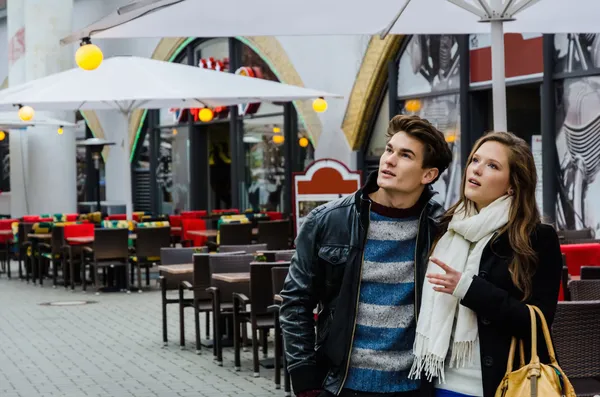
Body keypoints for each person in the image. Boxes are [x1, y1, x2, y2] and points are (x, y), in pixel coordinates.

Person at [279, 115, 453, 397]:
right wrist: (305, 382)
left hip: (414, 387)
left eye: (405, 155)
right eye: (389, 150)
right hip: (341, 385)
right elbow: (295, 301)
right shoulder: (328, 221)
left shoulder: (441, 228)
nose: (389, 160)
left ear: (428, 174)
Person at [408, 131, 563, 397]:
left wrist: (470, 289)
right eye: (475, 160)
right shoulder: (445, 228)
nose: (477, 170)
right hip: (438, 383)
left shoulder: (536, 238)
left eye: (492, 166)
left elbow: (537, 323)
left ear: (513, 184)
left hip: (501, 386)